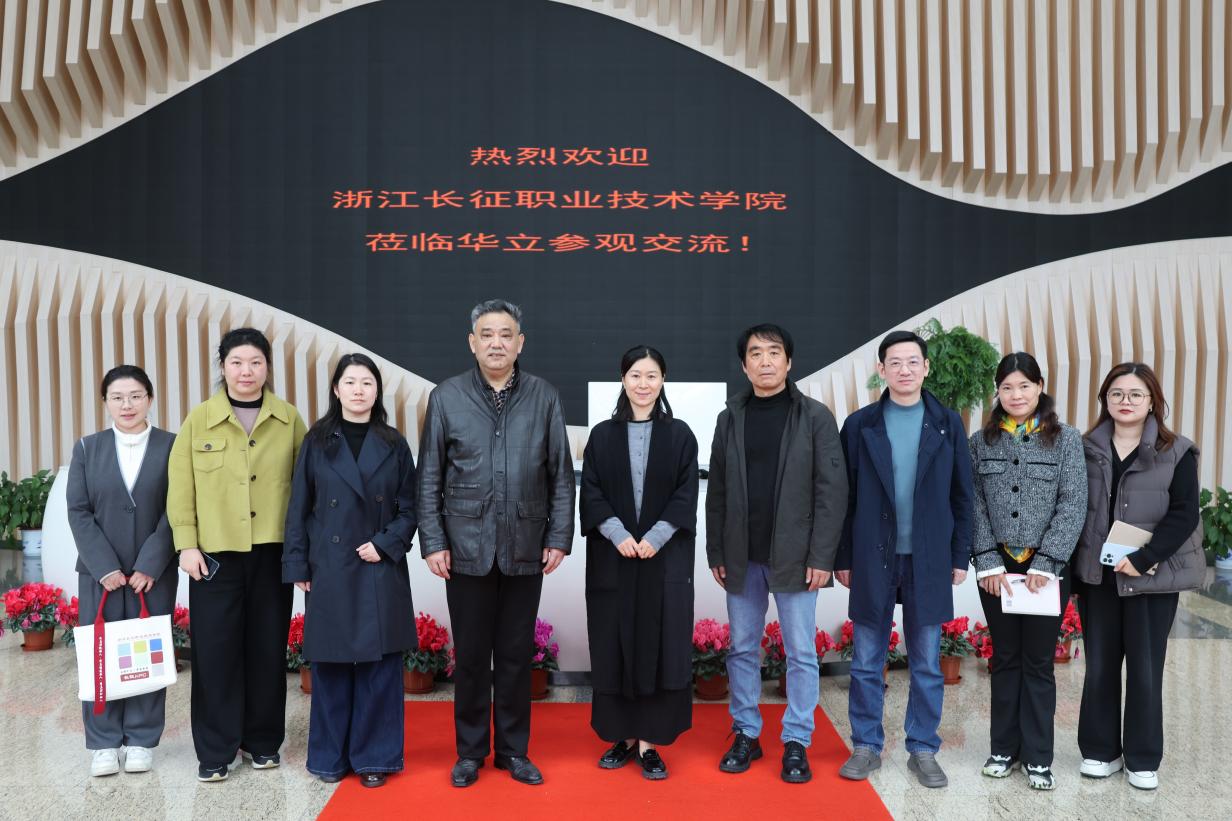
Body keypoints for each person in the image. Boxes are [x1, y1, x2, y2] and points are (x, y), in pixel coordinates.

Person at [417, 299, 575, 788]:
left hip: (526, 543)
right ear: (472, 342)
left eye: (506, 334)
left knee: (514, 655)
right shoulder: (446, 396)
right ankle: (469, 753)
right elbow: (429, 476)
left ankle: (512, 750)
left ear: (520, 342)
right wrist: (433, 541)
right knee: (470, 657)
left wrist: (559, 536)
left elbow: (561, 474)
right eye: (487, 334)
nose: (496, 343)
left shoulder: (544, 396)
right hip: (464, 546)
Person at [706, 324, 848, 784]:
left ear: (789, 362)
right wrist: (716, 549)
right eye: (755, 353)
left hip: (797, 556)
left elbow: (832, 492)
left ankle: (797, 740)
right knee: (741, 649)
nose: (765, 361)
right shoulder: (730, 417)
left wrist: (822, 557)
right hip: (741, 555)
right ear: (744, 364)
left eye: (774, 352)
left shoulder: (815, 417)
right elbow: (717, 491)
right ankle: (746, 732)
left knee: (801, 652)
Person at [167, 327, 307, 782]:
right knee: (215, 652)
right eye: (237, 362)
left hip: (272, 552)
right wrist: (187, 544)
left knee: (267, 648)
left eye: (256, 362)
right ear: (223, 366)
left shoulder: (288, 419)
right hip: (214, 557)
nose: (247, 371)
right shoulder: (199, 419)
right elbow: (180, 486)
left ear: (267, 367)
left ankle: (263, 742)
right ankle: (215, 750)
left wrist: (302, 552)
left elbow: (306, 487)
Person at [835, 329, 973, 788]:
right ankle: (866, 745)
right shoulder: (860, 425)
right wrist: (843, 556)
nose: (905, 370)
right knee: (866, 659)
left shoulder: (947, 423)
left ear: (926, 368)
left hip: (928, 558)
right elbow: (845, 498)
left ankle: (923, 747)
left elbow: (962, 496)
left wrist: (959, 555)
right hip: (873, 556)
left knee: (927, 662)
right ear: (881, 369)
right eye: (894, 362)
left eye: (913, 361)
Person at [283, 353, 418, 788]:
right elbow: (298, 507)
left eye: (367, 383)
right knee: (331, 665)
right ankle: (329, 756)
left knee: (380, 667)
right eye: (350, 382)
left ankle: (375, 757)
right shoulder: (316, 441)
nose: (359, 390)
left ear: (377, 392)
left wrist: (386, 544)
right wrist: (297, 562)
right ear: (336, 390)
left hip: (378, 563)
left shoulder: (394, 443)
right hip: (330, 564)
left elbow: (411, 507)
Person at [1073, 363, 1202, 791]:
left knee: (1146, 670)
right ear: (1104, 400)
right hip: (1099, 578)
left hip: (1150, 579)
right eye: (1116, 394)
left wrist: (1144, 558)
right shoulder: (1085, 448)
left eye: (1135, 394)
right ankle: (1100, 751)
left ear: (1152, 402)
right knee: (1100, 667)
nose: (1125, 401)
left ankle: (1143, 758)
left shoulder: (1176, 451)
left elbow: (1184, 513)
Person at [968, 352, 1086, 790]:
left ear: (1040, 387)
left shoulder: (1066, 439)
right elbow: (973, 503)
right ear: (997, 392)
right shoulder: (980, 442)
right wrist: (986, 560)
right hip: (998, 568)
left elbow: (1073, 502)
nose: (1016, 395)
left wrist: (1048, 562)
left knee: (1037, 662)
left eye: (1024, 385)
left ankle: (1037, 756)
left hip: (1045, 570)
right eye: (1007, 387)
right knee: (1004, 658)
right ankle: (1003, 749)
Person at [581, 346, 699, 781]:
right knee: (613, 644)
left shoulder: (680, 435)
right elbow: (591, 491)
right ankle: (622, 737)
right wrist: (618, 535)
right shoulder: (602, 435)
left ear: (663, 380)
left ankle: (650, 742)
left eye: (651, 375)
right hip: (615, 560)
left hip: (662, 562)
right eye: (635, 375)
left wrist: (655, 538)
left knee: (661, 644)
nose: (643, 383)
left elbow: (686, 493)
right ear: (623, 379)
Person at [66, 365, 178, 778]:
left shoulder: (172, 446)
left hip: (153, 573)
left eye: (135, 396)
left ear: (150, 398)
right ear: (105, 402)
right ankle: (102, 743)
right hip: (101, 575)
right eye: (117, 397)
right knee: (101, 653)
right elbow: (78, 511)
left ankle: (142, 739)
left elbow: (178, 508)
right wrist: (104, 566)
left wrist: (151, 562)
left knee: (146, 652)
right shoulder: (87, 448)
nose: (127, 405)